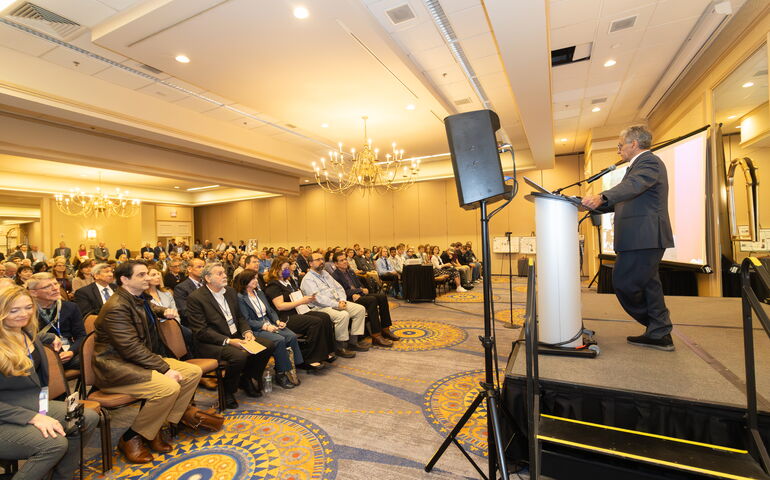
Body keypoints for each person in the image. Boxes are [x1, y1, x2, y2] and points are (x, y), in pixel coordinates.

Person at [92, 261, 202, 463]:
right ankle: (131, 437)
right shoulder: (116, 307)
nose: (148, 278)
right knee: (168, 387)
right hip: (116, 367)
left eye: (147, 274)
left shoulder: (137, 297)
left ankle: (157, 426)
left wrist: (161, 311)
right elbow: (130, 348)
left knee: (192, 372)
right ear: (125, 279)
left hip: (137, 360)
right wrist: (164, 368)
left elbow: (148, 307)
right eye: (141, 275)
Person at [582, 125, 675, 351]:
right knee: (649, 285)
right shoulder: (637, 166)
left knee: (624, 282)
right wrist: (589, 205)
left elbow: (633, 187)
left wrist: (602, 196)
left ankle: (659, 328)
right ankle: (659, 333)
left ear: (634, 144)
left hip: (644, 237)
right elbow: (625, 198)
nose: (618, 151)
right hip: (641, 237)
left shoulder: (648, 162)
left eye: (620, 145)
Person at [0, 285, 98, 480]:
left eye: (28, 307)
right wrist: (33, 417)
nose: (24, 314)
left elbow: (37, 336)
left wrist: (51, 336)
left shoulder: (26, 333)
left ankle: (61, 476)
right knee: (54, 443)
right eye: (14, 310)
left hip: (30, 403)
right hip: (6, 414)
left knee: (86, 418)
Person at [186, 263, 275, 408]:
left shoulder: (230, 291)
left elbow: (239, 317)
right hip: (211, 342)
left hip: (235, 335)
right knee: (239, 356)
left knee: (267, 346)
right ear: (208, 278)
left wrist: (247, 332)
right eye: (219, 273)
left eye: (224, 272)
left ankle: (246, 378)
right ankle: (228, 391)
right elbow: (201, 331)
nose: (224, 276)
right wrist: (228, 341)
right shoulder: (196, 298)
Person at [263, 257, 338, 365]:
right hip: (284, 317)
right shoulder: (274, 285)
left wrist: (306, 298)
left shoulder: (288, 282)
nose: (287, 271)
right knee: (315, 322)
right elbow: (280, 306)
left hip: (297, 311)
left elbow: (296, 296)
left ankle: (325, 352)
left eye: (288, 268)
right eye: (284, 268)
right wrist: (301, 301)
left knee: (325, 317)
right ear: (276, 269)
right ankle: (310, 357)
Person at [234, 269, 300, 389]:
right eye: (253, 278)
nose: (256, 281)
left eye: (256, 278)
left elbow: (270, 310)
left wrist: (277, 321)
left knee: (291, 336)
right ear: (245, 280)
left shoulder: (259, 293)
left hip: (269, 323)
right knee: (279, 340)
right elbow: (246, 320)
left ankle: (292, 368)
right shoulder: (240, 297)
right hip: (256, 328)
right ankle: (281, 374)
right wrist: (265, 326)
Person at [300, 252, 368, 354]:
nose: (321, 261)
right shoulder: (308, 279)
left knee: (360, 309)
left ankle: (353, 342)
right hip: (320, 307)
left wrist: (342, 300)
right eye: (317, 260)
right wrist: (336, 304)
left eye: (322, 259)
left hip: (337, 302)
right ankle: (340, 347)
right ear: (310, 263)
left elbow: (339, 287)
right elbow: (318, 298)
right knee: (343, 315)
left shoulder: (325, 273)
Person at [332, 253, 399, 347]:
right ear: (336, 263)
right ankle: (376, 335)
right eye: (341, 260)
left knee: (382, 296)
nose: (345, 262)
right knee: (372, 300)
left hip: (359, 295)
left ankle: (385, 329)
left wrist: (361, 291)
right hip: (349, 299)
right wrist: (359, 291)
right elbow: (342, 292)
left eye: (345, 259)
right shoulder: (335, 276)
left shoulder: (350, 271)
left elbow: (359, 285)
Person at [27, 273, 86, 370]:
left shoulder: (70, 307)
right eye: (47, 286)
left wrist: (71, 352)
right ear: (33, 292)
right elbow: (24, 338)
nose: (55, 288)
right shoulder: (26, 311)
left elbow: (81, 336)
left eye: (56, 284)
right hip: (40, 354)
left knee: (93, 360)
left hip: (66, 352)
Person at [173, 258, 205, 324]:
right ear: (189, 269)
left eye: (203, 267)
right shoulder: (181, 288)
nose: (203, 269)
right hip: (195, 323)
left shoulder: (208, 284)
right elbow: (184, 311)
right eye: (199, 267)